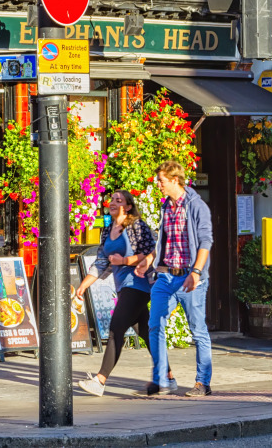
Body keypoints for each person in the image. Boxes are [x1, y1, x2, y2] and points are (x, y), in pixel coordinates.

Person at [75, 190, 175, 396]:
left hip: (140, 285)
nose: (113, 203)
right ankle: (168, 378)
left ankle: (100, 380)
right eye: (112, 200)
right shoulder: (107, 230)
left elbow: (152, 252)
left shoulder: (137, 226)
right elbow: (102, 261)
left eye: (118, 200)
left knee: (116, 328)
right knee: (147, 333)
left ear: (128, 206)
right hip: (123, 287)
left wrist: (124, 261)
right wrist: (84, 284)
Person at [135, 160, 214, 397]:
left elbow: (205, 242)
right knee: (155, 324)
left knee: (198, 330)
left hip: (190, 278)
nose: (158, 184)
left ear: (174, 180)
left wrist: (196, 273)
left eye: (161, 180)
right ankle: (162, 379)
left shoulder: (196, 206)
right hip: (166, 277)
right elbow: (165, 242)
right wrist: (149, 261)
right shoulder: (165, 207)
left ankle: (203, 383)